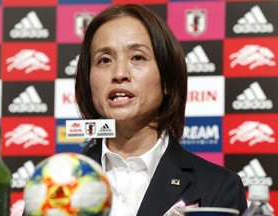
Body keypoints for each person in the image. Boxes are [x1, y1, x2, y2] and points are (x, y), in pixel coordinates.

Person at [75, 4, 247, 216]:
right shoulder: (55, 184)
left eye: (137, 57)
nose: (119, 73)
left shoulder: (219, 187)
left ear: (167, 79)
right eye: (104, 60)